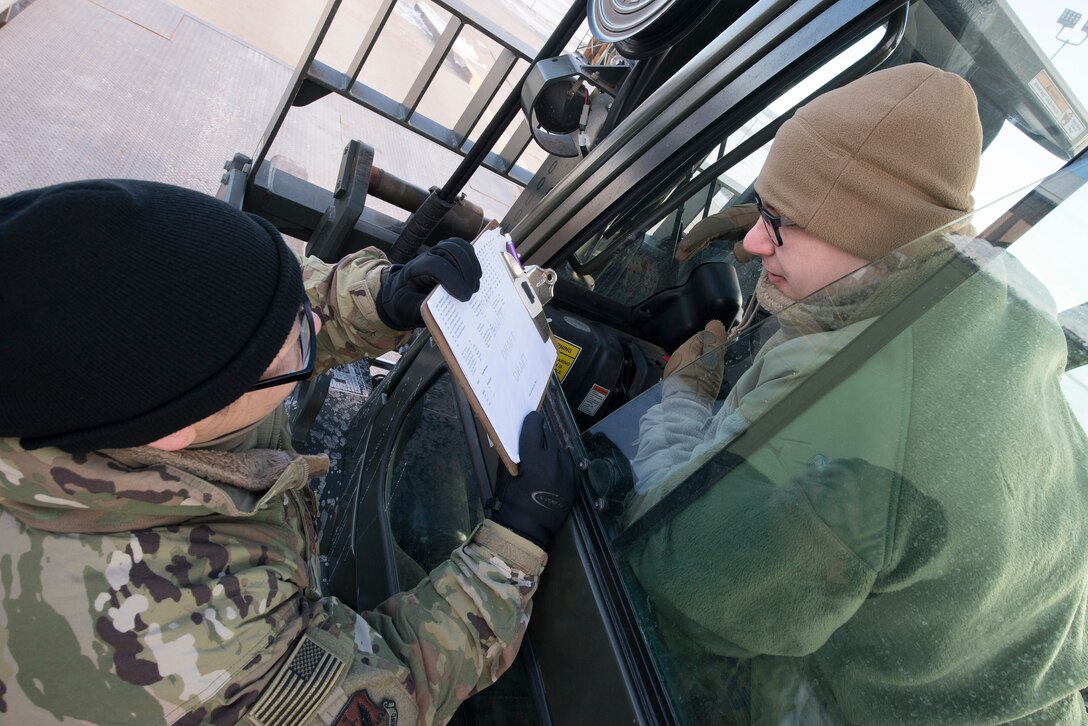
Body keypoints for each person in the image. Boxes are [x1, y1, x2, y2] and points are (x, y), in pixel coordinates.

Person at [0, 179, 577, 725]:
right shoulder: (194, 643)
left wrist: (379, 300)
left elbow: (253, 312)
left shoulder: (66, 354)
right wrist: (510, 550)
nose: (310, 319)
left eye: (294, 304)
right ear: (170, 431)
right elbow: (393, 693)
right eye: (298, 343)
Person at [625, 64, 1088, 723]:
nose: (754, 244)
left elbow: (677, 582)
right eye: (761, 211)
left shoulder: (859, 392)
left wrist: (685, 403)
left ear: (871, 237)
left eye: (780, 223)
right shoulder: (994, 307)